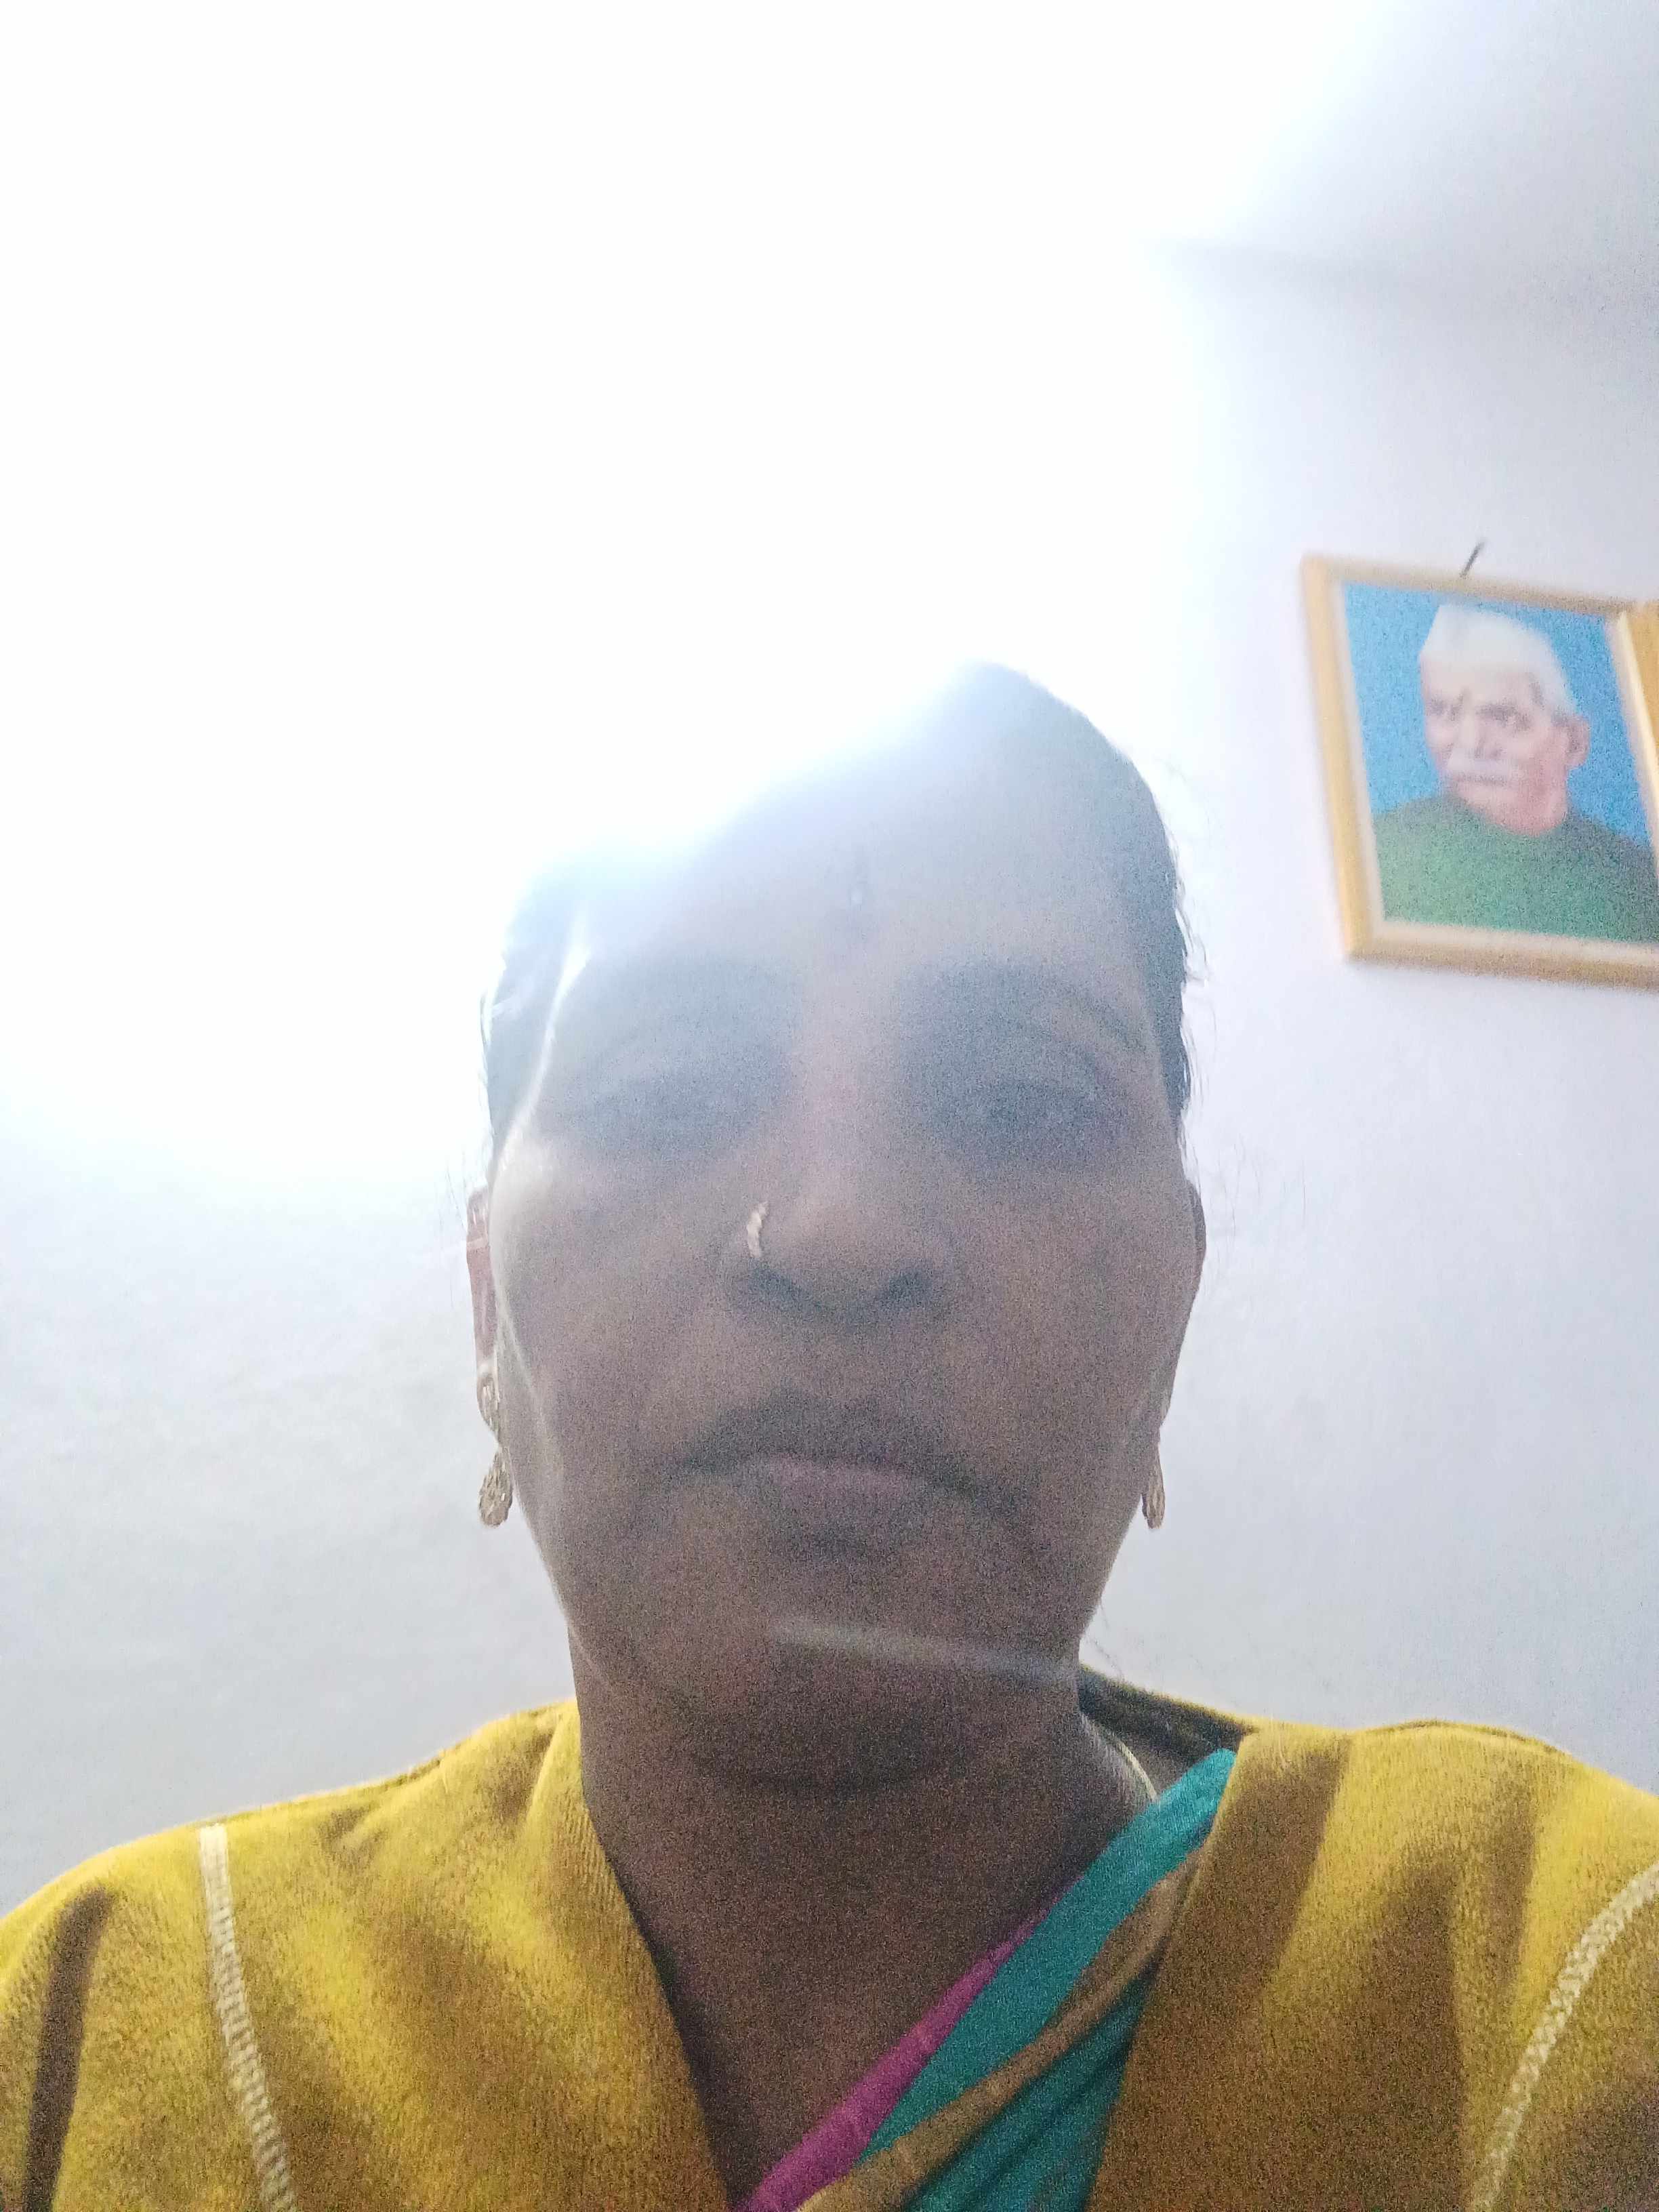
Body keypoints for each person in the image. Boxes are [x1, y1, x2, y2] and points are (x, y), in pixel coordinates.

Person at [3, 667, 1656, 2211]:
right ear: (487, 1304)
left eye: (1016, 1103)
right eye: (667, 1090)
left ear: (1172, 1302)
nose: (840, 1229)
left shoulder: (1550, 1989)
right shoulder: (100, 2035)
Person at [1372, 602, 1659, 943]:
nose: (1472, 744)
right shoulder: (1383, 853)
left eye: (1505, 718)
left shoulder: (1638, 884)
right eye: (1445, 712)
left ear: (1574, 743)